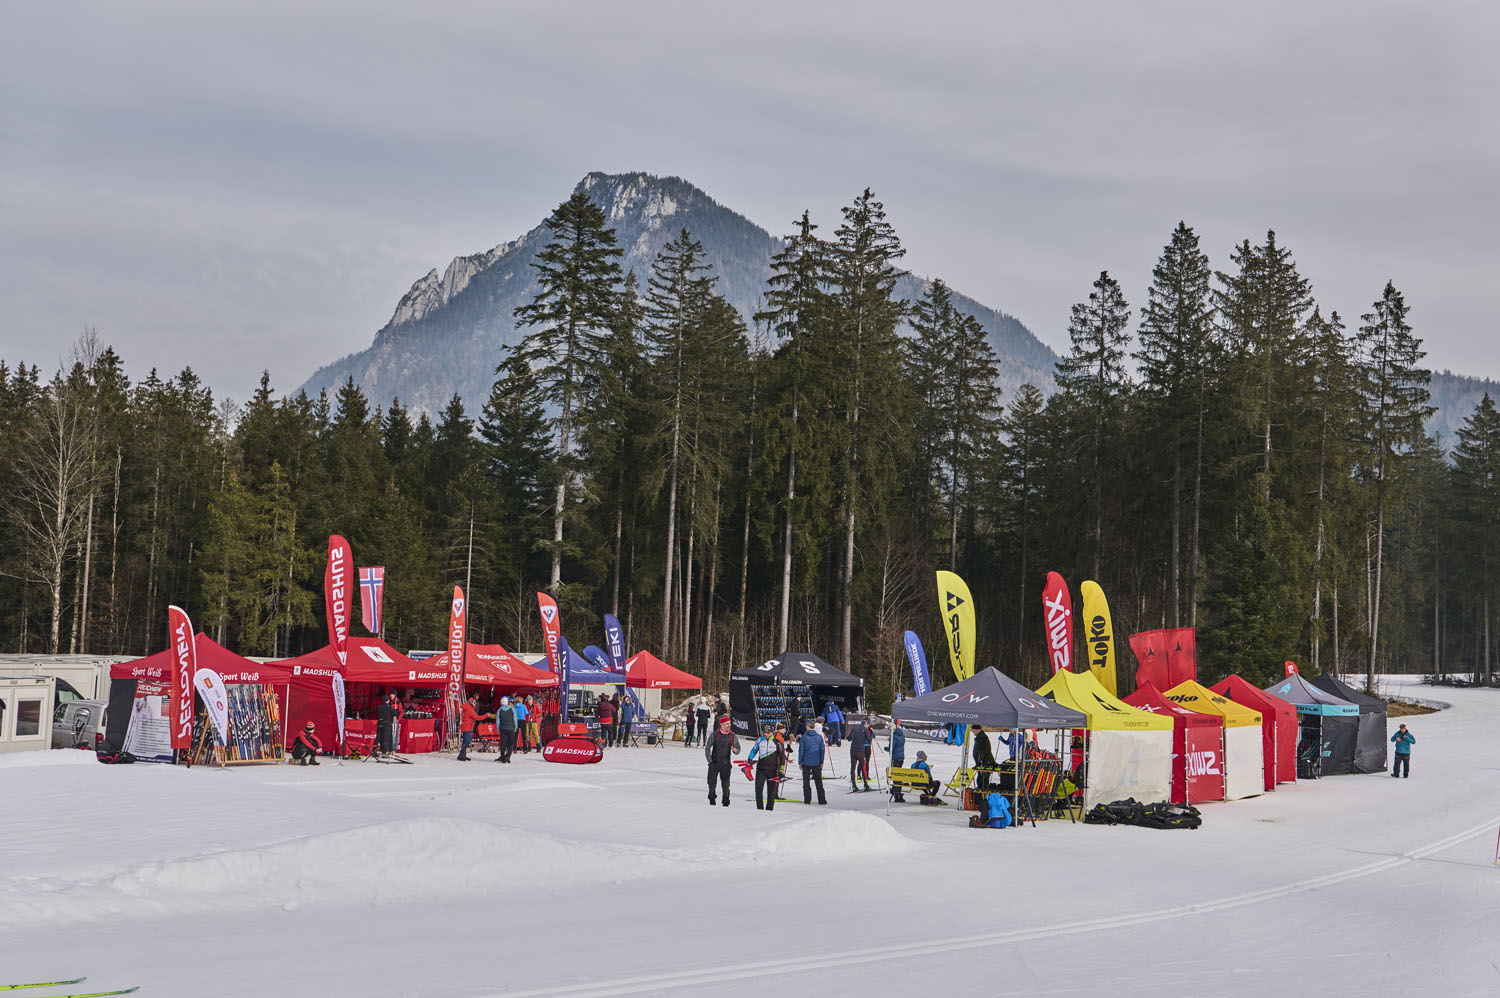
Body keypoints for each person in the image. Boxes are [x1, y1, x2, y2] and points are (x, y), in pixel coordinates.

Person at [705, 714, 740, 806]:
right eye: (726, 723)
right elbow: (707, 747)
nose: (728, 725)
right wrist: (710, 761)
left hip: (726, 764)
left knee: (725, 785)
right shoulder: (715, 734)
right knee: (711, 783)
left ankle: (725, 802)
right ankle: (712, 799)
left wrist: (735, 750)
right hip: (714, 763)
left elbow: (738, 749)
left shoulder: (732, 735)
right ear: (721, 725)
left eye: (729, 723)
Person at [748, 724, 785, 811]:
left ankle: (769, 810)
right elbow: (753, 751)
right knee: (758, 791)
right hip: (761, 770)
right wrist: (749, 759)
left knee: (771, 793)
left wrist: (781, 771)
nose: (766, 734)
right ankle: (759, 809)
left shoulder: (778, 742)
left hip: (772, 770)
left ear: (772, 732)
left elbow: (782, 757)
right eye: (764, 732)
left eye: (768, 732)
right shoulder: (759, 741)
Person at [798, 720, 828, 805]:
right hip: (817, 762)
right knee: (819, 782)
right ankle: (822, 800)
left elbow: (801, 751)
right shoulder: (819, 737)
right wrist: (821, 761)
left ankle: (807, 800)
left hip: (806, 762)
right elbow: (822, 750)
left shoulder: (804, 737)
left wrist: (800, 762)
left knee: (806, 782)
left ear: (808, 727)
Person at [457, 694, 487, 761]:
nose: (475, 704)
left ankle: (463, 755)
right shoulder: (469, 710)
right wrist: (486, 715)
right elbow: (478, 718)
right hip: (468, 727)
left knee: (465, 741)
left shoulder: (466, 708)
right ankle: (461, 755)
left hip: (466, 726)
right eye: (474, 703)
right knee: (467, 742)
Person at [847, 716, 872, 791]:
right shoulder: (865, 729)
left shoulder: (854, 728)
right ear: (865, 724)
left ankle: (854, 785)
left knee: (853, 767)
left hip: (853, 750)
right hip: (860, 750)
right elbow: (869, 739)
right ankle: (865, 784)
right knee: (863, 766)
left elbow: (849, 739)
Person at [971, 725, 997, 789]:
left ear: (977, 730)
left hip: (986, 762)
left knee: (983, 780)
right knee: (980, 779)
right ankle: (981, 792)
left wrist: (980, 761)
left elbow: (982, 751)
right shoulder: (979, 736)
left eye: (973, 730)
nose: (972, 732)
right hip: (982, 762)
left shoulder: (982, 737)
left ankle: (983, 793)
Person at [494, 696, 518, 763]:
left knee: (503, 743)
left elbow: (498, 721)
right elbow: (515, 719)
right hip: (511, 729)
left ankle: (502, 756)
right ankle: (508, 756)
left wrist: (498, 728)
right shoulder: (512, 709)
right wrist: (516, 727)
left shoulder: (499, 710)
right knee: (511, 743)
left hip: (503, 729)